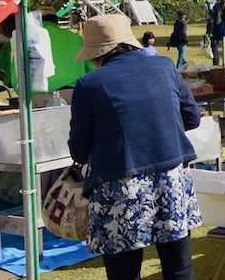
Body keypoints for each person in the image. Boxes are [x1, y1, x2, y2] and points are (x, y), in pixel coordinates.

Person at [68, 14, 202, 279]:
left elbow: (79, 151)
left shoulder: (89, 85)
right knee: (179, 267)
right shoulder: (165, 66)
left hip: (119, 187)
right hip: (171, 179)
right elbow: (192, 117)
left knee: (124, 273)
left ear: (97, 55)